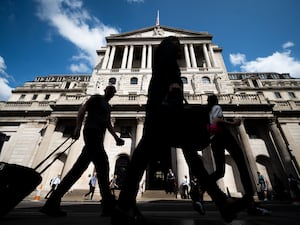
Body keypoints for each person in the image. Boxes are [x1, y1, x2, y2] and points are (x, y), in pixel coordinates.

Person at [111, 36, 248, 225]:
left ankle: (123, 205)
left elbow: (157, 94)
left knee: (145, 160)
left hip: (154, 116)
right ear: (170, 49)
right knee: (188, 157)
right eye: (177, 46)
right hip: (169, 117)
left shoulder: (157, 68)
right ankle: (222, 201)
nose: (180, 50)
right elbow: (174, 89)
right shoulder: (171, 66)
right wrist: (180, 104)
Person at [40, 85, 125, 217]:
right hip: (91, 132)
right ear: (105, 91)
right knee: (102, 167)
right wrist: (77, 128)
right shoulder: (96, 98)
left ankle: (52, 202)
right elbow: (82, 110)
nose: (111, 92)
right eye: (110, 90)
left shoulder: (108, 107)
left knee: (81, 169)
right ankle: (108, 205)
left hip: (98, 136)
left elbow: (107, 123)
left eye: (113, 91)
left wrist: (116, 138)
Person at [206, 94, 271, 215]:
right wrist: (233, 123)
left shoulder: (206, 111)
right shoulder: (216, 107)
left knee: (220, 171)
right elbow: (216, 120)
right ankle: (250, 200)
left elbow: (210, 125)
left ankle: (201, 185)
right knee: (242, 165)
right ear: (216, 100)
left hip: (215, 140)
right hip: (225, 136)